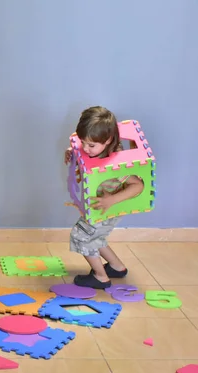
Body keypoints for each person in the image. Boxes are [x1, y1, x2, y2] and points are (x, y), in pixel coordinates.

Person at [64, 106, 145, 289]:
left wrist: (111, 200)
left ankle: (101, 277)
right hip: (99, 204)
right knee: (96, 236)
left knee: (81, 236)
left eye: (91, 145)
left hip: (108, 207)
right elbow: (84, 150)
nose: (86, 148)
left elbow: (138, 185)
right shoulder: (96, 148)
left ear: (107, 140)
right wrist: (73, 151)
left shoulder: (117, 166)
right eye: (83, 142)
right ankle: (117, 267)